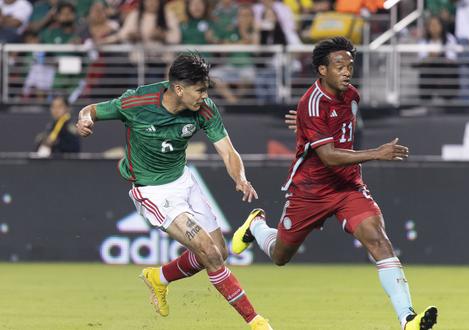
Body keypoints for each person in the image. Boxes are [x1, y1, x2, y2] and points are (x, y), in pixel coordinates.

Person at [231, 37, 438, 330]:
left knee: (379, 241)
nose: (346, 71)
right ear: (322, 70)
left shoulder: (352, 95)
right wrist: (377, 153)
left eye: (350, 65)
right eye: (339, 66)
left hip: (347, 186)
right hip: (310, 190)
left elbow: (336, 128)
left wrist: (306, 125)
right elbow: (327, 156)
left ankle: (407, 319)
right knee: (280, 256)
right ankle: (256, 225)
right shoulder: (310, 103)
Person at [75, 53, 273, 330]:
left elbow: (228, 151)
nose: (204, 96)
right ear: (179, 89)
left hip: (184, 180)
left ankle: (159, 278)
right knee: (208, 251)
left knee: (219, 252)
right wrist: (85, 121)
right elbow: (92, 110)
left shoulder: (204, 109)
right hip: (153, 191)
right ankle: (255, 321)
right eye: (200, 90)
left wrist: (240, 177)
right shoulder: (137, 102)